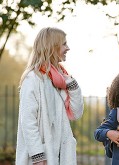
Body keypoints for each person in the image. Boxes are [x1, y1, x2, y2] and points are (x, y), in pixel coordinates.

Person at [16, 27, 84, 165]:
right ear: (52, 46)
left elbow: (76, 113)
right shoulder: (33, 79)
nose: (68, 48)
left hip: (61, 155)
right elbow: (28, 121)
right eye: (64, 44)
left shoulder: (60, 80)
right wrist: (38, 155)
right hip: (42, 159)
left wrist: (72, 84)